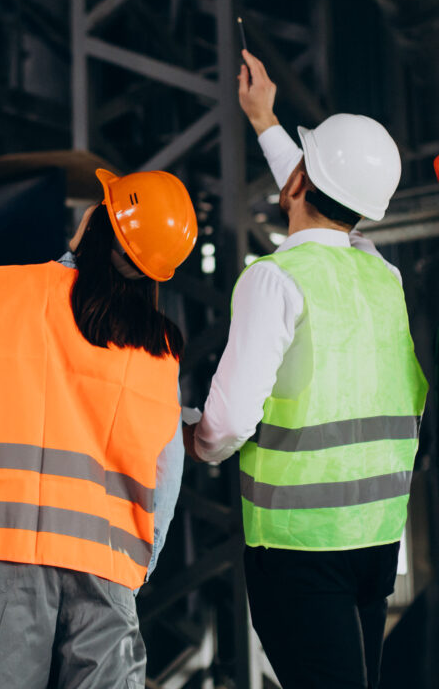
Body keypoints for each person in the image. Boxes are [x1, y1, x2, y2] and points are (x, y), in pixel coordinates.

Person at [184, 50, 428, 689]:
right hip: (376, 541)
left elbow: (228, 424)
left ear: (295, 186)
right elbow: (322, 191)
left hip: (298, 551)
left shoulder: (274, 282)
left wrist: (194, 437)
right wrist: (264, 120)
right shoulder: (383, 276)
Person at [0, 167, 197, 689]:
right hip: (105, 572)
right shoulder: (160, 349)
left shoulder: (13, 293)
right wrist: (137, 568)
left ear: (102, 223)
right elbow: (167, 472)